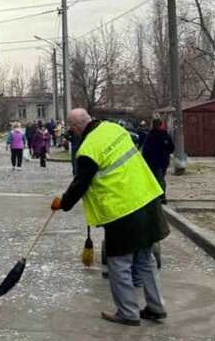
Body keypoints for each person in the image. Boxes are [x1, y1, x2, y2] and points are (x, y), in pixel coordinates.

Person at [51, 109, 169, 327]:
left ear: (76, 128)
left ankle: (128, 312)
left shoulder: (88, 149)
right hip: (147, 197)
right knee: (145, 258)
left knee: (120, 262)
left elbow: (81, 183)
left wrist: (63, 203)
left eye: (72, 129)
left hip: (122, 209)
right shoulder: (115, 128)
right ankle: (156, 307)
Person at [142, 119, 175, 204]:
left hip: (154, 162)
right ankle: (161, 197)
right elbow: (171, 148)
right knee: (160, 179)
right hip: (162, 161)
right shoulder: (164, 135)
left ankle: (159, 197)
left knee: (157, 179)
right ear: (161, 125)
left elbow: (145, 150)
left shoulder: (151, 135)